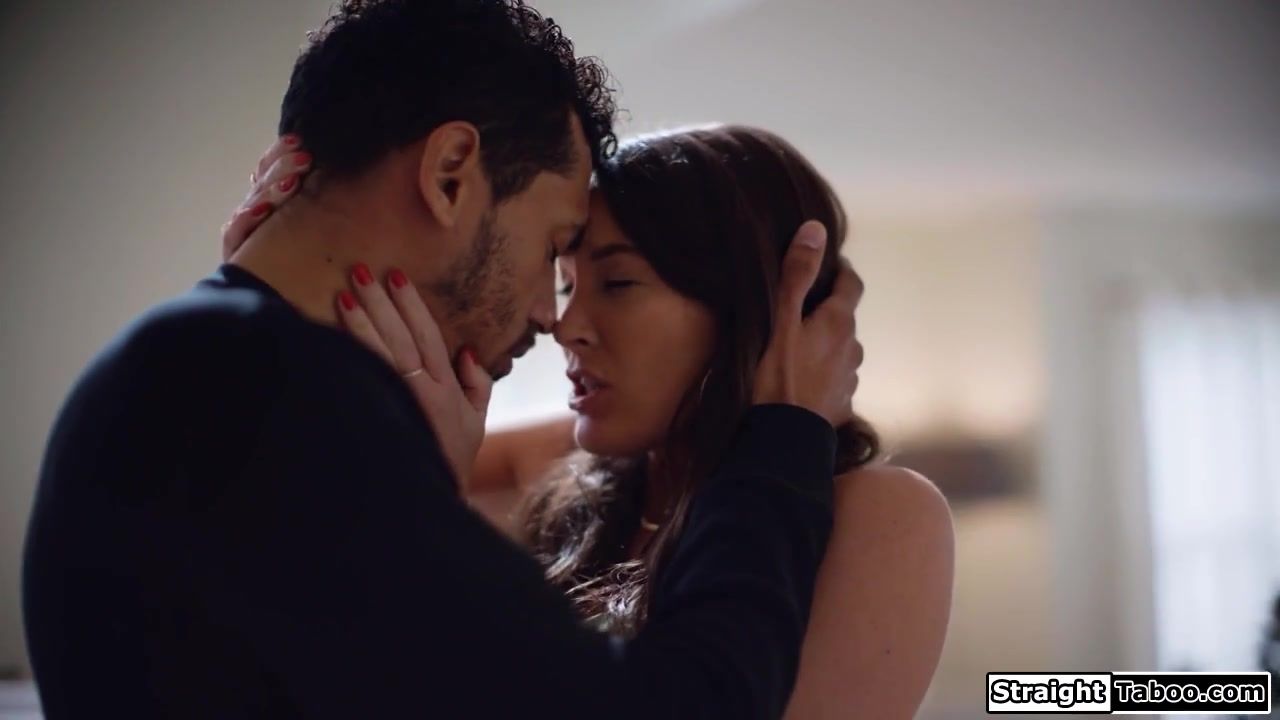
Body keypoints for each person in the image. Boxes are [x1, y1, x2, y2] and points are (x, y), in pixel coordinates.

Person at [22, 2, 864, 718]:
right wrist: (784, 436)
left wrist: (422, 483)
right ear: (451, 173)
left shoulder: (201, 367)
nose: (551, 316)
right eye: (555, 248)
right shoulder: (272, 399)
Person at [228, 125, 956, 717]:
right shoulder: (557, 478)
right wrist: (285, 291)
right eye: (567, 283)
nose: (564, 325)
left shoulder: (880, 514)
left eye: (619, 282)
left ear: (759, 310)